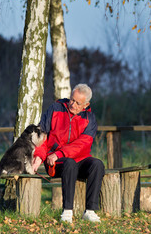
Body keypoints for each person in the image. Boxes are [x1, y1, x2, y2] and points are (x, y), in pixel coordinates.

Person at [32, 83, 105, 223]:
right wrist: (40, 157)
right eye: (72, 99)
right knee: (69, 164)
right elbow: (42, 134)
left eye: (78, 103)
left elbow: (83, 144)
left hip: (75, 158)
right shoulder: (55, 108)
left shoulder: (90, 118)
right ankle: (67, 211)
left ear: (86, 104)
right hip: (55, 162)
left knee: (98, 164)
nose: (73, 104)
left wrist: (60, 153)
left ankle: (90, 211)